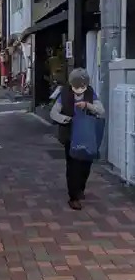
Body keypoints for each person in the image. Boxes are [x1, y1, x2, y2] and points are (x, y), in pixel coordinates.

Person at [50, 68, 105, 211]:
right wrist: (65, 119)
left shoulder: (90, 93)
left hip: (87, 134)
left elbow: (101, 111)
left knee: (86, 163)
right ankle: (73, 197)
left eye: (82, 86)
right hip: (70, 134)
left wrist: (88, 105)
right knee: (73, 165)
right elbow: (53, 112)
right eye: (76, 86)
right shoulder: (64, 93)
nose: (79, 90)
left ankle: (80, 187)